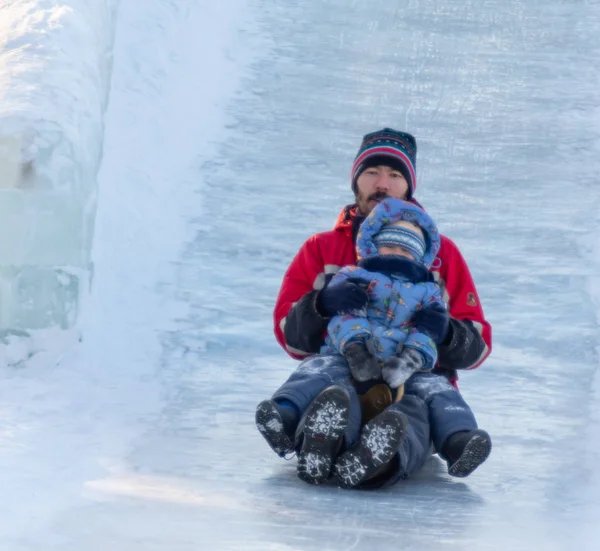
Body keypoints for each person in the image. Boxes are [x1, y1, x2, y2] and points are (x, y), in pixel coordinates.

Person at [256, 128, 492, 488]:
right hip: (342, 370)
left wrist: (445, 333)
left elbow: (477, 345)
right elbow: (291, 338)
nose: (382, 183)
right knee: (329, 392)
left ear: (408, 188)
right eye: (371, 172)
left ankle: (379, 462)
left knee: (412, 415)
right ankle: (319, 445)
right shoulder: (322, 249)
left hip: (413, 381)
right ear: (356, 181)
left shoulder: (443, 255)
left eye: (395, 175)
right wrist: (321, 305)